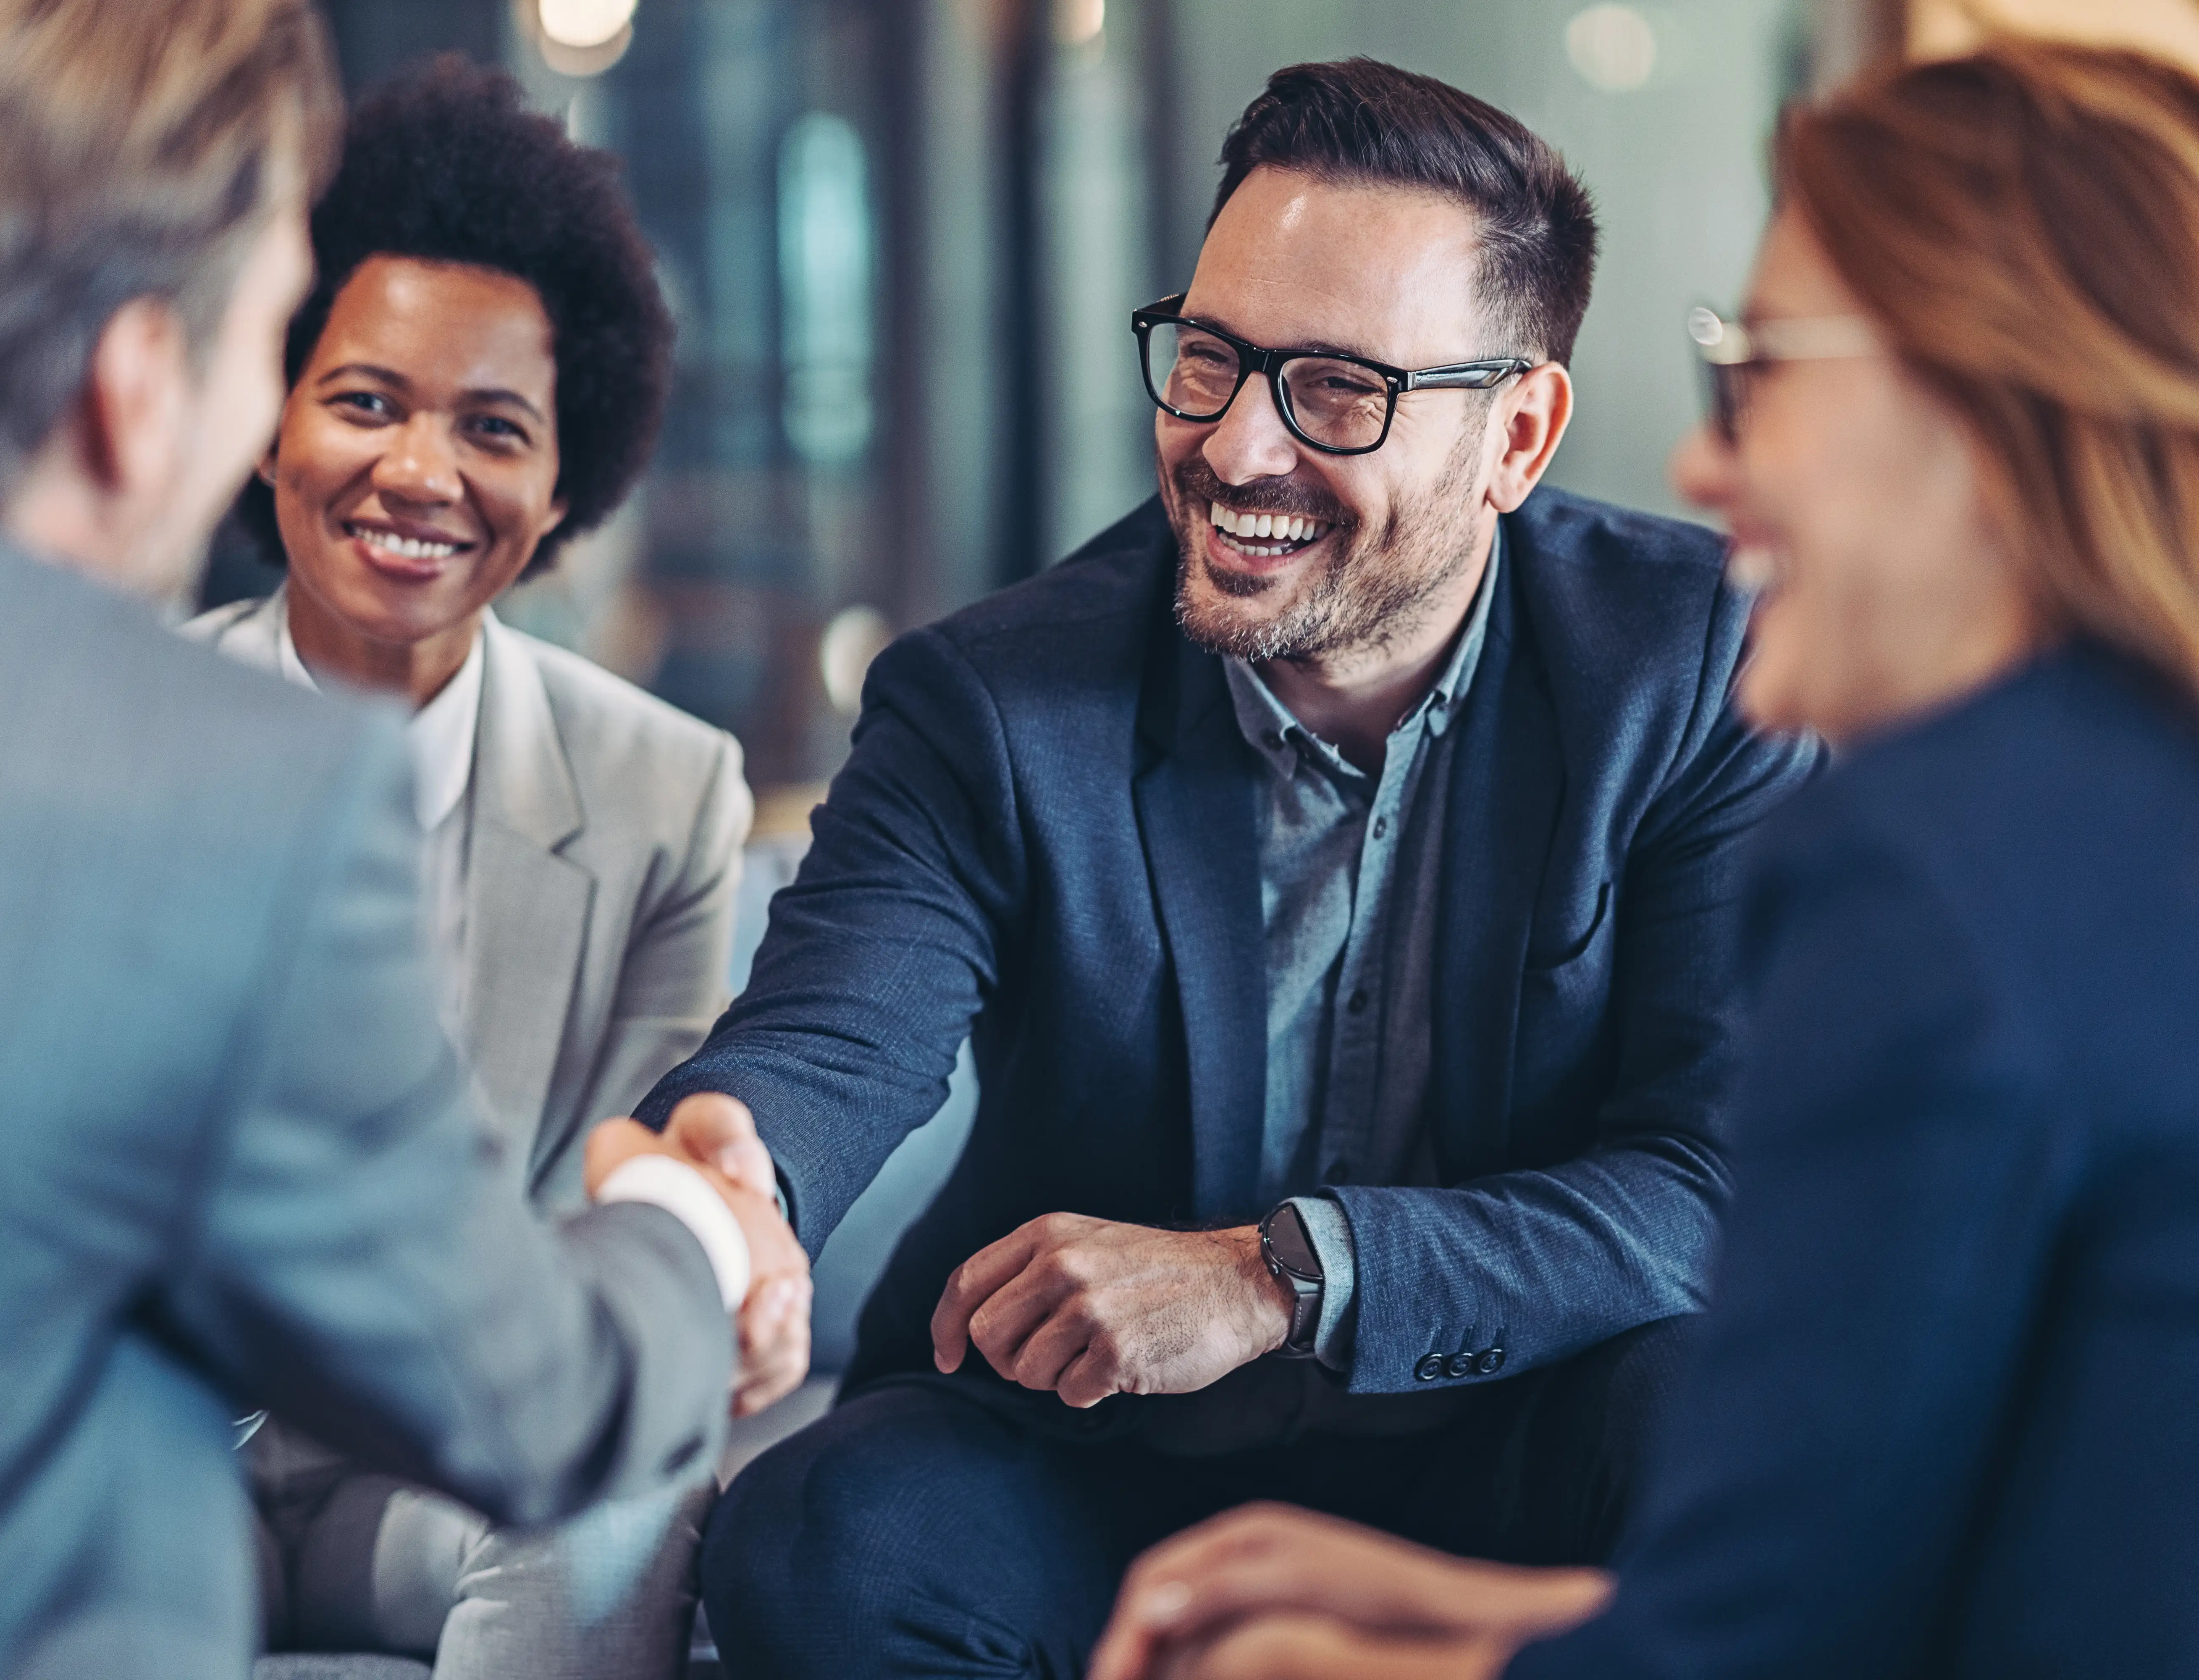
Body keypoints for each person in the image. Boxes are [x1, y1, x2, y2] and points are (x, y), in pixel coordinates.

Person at [0, 3, 805, 1676]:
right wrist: (703, 1230)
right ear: (142, 386)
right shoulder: (208, 794)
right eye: (279, 338)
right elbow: (533, 1390)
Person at [656, 55, 1817, 1678]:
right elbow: (829, 1038)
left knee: (1733, 1432)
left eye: (1337, 390)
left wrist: (1281, 1277)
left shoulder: (1692, 669)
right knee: (817, 1540)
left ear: (1518, 435)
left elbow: (1707, 1179)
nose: (1235, 447)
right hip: (1104, 1471)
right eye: (1210, 358)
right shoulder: (995, 700)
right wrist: (730, 1176)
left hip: (1517, 1441)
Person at [1091, 40, 2199, 1680]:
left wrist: (1332, 1666)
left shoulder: (1926, 869)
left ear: (1971, 407)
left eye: (1762, 377)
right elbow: (1939, 1577)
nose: (1700, 464)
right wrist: (1476, 1612)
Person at [185, 59, 787, 1675]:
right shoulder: (113, 738)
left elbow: (618, 1211)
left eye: (493, 428)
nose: (420, 474)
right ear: (267, 418)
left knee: (625, 1494)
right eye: (366, 401)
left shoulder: (668, 790)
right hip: (161, 1462)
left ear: (565, 485)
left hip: (441, 1464)